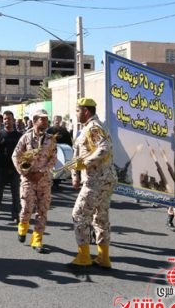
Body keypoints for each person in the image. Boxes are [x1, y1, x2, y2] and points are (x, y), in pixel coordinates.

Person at [68, 98, 117, 270]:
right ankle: (103, 258)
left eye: (78, 110)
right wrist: (75, 173)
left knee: (79, 215)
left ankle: (83, 257)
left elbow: (105, 148)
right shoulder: (90, 127)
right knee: (100, 217)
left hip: (97, 180)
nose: (76, 113)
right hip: (103, 179)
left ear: (86, 111)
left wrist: (85, 163)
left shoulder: (94, 127)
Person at [12, 109, 57, 252]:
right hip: (27, 179)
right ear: (34, 121)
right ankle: (23, 226)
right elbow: (15, 156)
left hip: (44, 180)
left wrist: (41, 172)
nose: (45, 123)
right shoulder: (25, 138)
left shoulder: (51, 139)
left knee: (42, 211)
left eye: (46, 120)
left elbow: (54, 158)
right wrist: (23, 172)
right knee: (26, 208)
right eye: (42, 120)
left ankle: (37, 240)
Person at [0, 111, 22, 220]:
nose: (7, 121)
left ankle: (16, 213)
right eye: (5, 119)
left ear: (13, 120)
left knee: (15, 192)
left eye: (9, 118)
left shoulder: (19, 136)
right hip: (1, 168)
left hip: (15, 168)